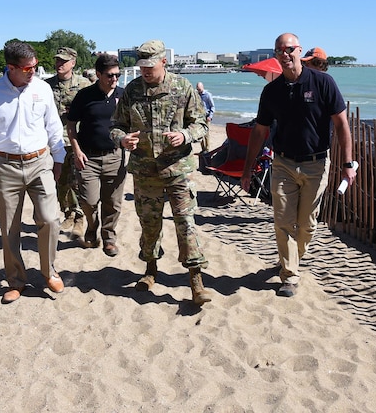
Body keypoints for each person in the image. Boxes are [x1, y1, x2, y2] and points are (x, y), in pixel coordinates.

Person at [240, 33, 356, 298]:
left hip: (316, 163)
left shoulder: (323, 82)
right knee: (282, 221)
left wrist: (348, 163)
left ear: (299, 51)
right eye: (280, 50)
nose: (285, 54)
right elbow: (259, 131)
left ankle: (291, 258)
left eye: (289, 49)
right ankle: (289, 275)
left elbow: (341, 124)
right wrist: (247, 170)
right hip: (282, 163)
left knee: (307, 225)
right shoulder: (272, 90)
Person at [110, 39, 213, 305]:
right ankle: (150, 270)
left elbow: (201, 123)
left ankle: (195, 280)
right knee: (149, 224)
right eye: (142, 65)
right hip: (145, 171)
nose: (145, 71)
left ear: (163, 62)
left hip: (178, 169)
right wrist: (122, 139)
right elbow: (115, 126)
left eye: (150, 66)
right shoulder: (131, 90)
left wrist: (185, 134)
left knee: (185, 224)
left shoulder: (182, 87)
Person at [0, 41, 66, 304]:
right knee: (10, 226)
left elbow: (53, 126)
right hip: (6, 166)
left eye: (34, 66)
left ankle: (49, 271)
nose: (33, 72)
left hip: (40, 162)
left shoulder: (42, 89)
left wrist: (59, 159)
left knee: (50, 218)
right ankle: (16, 280)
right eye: (27, 68)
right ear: (10, 67)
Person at [67, 54, 126, 257]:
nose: (114, 79)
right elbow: (72, 125)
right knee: (89, 202)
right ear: (99, 74)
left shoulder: (123, 95)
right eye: (110, 75)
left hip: (115, 156)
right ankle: (92, 227)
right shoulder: (84, 96)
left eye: (118, 75)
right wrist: (76, 150)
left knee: (113, 203)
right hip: (88, 158)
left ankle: (109, 238)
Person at [46, 46, 91, 242]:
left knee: (77, 180)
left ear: (73, 63)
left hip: (76, 140)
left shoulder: (84, 85)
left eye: (63, 61)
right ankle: (68, 213)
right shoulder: (46, 86)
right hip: (54, 141)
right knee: (60, 181)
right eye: (57, 60)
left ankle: (79, 217)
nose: (59, 64)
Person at [196, 82, 215, 153]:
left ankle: (207, 149)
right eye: (197, 89)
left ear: (202, 87)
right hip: (199, 117)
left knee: (206, 134)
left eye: (199, 89)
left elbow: (212, 106)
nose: (199, 91)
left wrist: (210, 116)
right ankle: (203, 148)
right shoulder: (197, 95)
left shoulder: (208, 95)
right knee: (200, 133)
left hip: (206, 116)